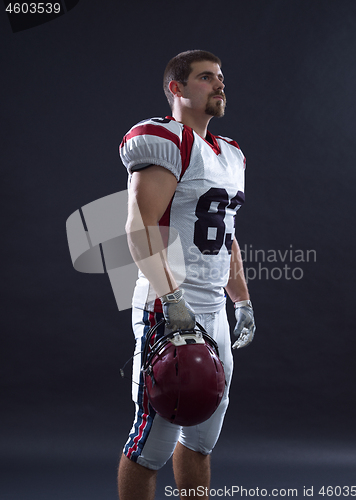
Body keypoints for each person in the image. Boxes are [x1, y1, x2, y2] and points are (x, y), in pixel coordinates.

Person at [118, 50, 256, 500]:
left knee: (200, 439)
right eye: (204, 78)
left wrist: (242, 302)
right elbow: (139, 228)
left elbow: (226, 239)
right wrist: (173, 299)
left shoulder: (230, 153)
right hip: (168, 308)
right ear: (176, 88)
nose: (218, 85)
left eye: (220, 77)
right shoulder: (166, 140)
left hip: (214, 308)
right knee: (151, 444)